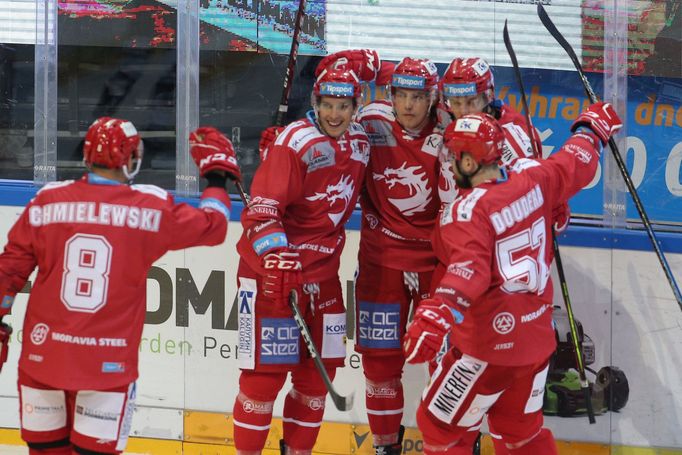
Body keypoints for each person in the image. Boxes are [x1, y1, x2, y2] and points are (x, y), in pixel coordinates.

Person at [0, 118, 240, 455]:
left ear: (86, 157)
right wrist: (218, 178)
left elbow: (8, 271)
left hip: (43, 360)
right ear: (130, 159)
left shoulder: (47, 201)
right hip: (107, 367)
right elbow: (214, 226)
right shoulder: (149, 208)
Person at [402, 103, 623, 454]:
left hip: (488, 347)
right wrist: (590, 130)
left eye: (453, 156)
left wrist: (440, 311)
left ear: (470, 163)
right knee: (518, 430)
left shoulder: (468, 210)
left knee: (439, 427)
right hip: (535, 343)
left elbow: (469, 271)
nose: (448, 162)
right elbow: (574, 162)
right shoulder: (533, 174)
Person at [232, 65, 370, 455]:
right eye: (327, 104)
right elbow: (261, 212)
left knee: (314, 383)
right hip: (269, 277)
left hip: (324, 277)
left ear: (356, 106)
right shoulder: (296, 142)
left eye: (344, 105)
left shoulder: (360, 140)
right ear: (315, 103)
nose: (335, 114)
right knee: (262, 381)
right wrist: (277, 259)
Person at [351, 55, 447, 454]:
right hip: (381, 260)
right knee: (378, 363)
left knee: (447, 365)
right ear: (390, 95)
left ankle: (452, 444)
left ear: (433, 98)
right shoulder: (371, 122)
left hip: (436, 266)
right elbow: (329, 132)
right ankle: (384, 446)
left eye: (417, 97)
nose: (408, 106)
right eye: (401, 95)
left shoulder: (452, 132)